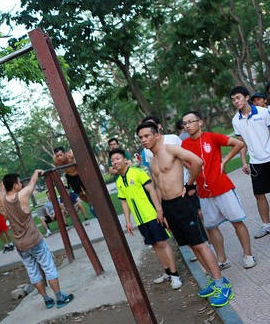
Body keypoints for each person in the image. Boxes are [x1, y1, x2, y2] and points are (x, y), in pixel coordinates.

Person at [136, 121, 233, 307]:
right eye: (140, 137)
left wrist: (189, 185)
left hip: (182, 203)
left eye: (146, 136)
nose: (143, 140)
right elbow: (157, 185)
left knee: (201, 244)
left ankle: (222, 285)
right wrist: (161, 209)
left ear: (156, 135)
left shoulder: (170, 149)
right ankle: (214, 281)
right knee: (191, 245)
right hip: (169, 207)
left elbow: (197, 161)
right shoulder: (153, 158)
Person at [181, 111, 256, 269]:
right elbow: (185, 162)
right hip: (204, 192)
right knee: (211, 226)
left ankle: (248, 255)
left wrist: (224, 161)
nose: (187, 125)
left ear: (199, 122)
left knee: (237, 221)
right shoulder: (185, 145)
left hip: (223, 187)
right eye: (185, 123)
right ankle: (222, 259)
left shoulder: (212, 137)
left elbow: (239, 144)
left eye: (190, 121)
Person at [0, 170, 74, 309]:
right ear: (15, 185)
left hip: (20, 245)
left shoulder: (3, 200)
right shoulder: (22, 195)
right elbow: (32, 183)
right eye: (19, 182)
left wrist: (2, 187)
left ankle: (47, 300)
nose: (21, 183)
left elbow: (1, 192)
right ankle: (59, 298)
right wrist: (35, 172)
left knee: (33, 272)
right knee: (48, 268)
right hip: (34, 241)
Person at [109, 148, 182, 290]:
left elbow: (151, 190)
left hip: (152, 215)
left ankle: (175, 275)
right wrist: (128, 221)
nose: (115, 162)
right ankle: (167, 272)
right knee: (155, 245)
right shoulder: (119, 181)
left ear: (125, 160)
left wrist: (159, 210)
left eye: (117, 158)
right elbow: (124, 201)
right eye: (112, 160)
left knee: (162, 243)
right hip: (140, 220)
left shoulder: (137, 173)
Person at [230, 86, 270, 238]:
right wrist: (243, 162)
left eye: (238, 98)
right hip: (255, 162)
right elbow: (242, 143)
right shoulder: (236, 120)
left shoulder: (263, 112)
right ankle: (266, 225)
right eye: (233, 100)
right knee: (259, 195)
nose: (236, 101)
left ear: (247, 97)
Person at [53, 146, 95, 218]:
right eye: (57, 156)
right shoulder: (57, 160)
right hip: (70, 177)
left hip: (79, 174)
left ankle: (93, 204)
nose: (60, 157)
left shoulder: (70, 156)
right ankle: (89, 203)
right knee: (80, 194)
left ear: (64, 153)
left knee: (87, 191)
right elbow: (55, 164)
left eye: (61, 155)